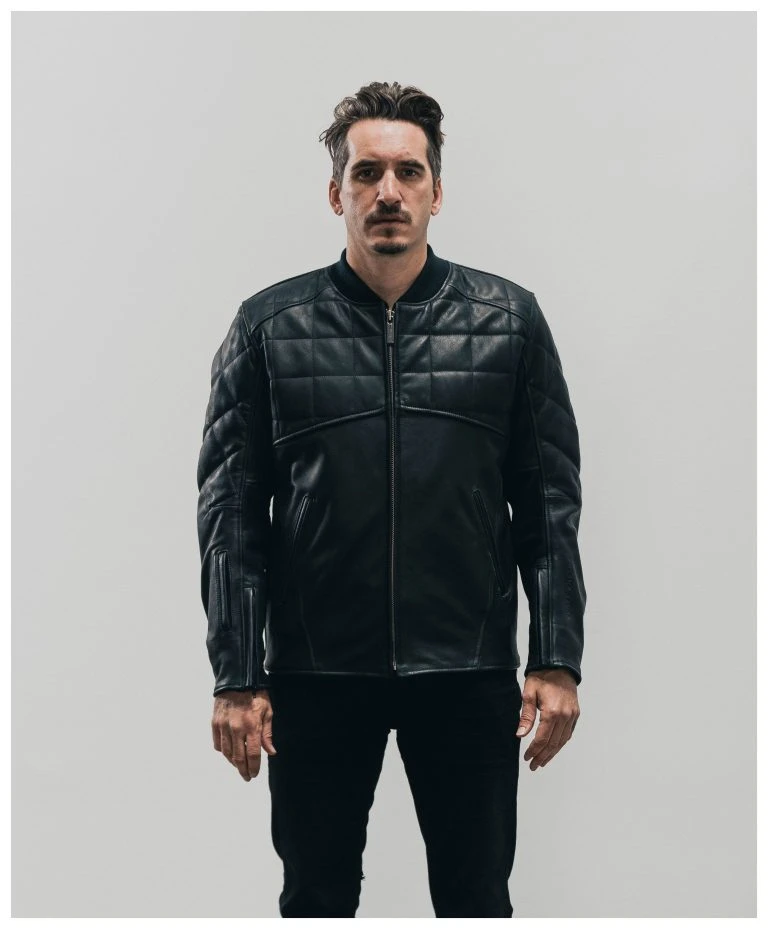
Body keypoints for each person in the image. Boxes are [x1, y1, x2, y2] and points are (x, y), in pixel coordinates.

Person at [196, 80, 586, 918]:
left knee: (476, 897)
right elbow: (231, 516)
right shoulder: (269, 328)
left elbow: (549, 504)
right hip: (317, 672)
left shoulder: (508, 322)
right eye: (367, 172)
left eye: (409, 172)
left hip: (468, 667)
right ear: (335, 192)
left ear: (437, 191)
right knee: (316, 897)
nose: (388, 192)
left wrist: (555, 656)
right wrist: (237, 673)